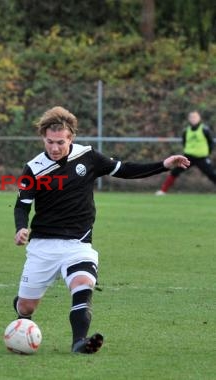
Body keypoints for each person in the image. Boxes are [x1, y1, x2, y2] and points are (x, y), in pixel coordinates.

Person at [12, 106, 189, 354]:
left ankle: (79, 343)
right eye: (50, 142)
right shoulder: (33, 168)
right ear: (43, 138)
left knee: (83, 285)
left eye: (60, 142)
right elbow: (22, 205)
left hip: (78, 244)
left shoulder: (88, 157)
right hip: (43, 245)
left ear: (70, 137)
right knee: (27, 307)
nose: (54, 148)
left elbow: (124, 169)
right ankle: (21, 316)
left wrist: (163, 165)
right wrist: (21, 228)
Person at [156, 110, 216, 195]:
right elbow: (184, 143)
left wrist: (206, 152)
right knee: (175, 172)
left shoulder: (205, 130)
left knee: (212, 174)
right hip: (188, 157)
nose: (193, 119)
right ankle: (163, 190)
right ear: (189, 119)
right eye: (191, 117)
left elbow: (211, 143)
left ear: (199, 118)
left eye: (195, 117)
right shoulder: (186, 131)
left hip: (202, 158)